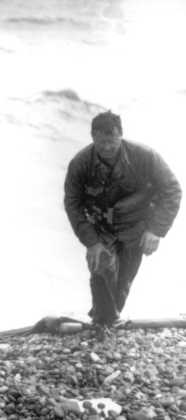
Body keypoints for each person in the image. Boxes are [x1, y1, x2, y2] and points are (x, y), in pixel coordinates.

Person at [64, 111, 181, 341]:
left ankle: (108, 320)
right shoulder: (80, 164)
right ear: (92, 137)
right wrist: (92, 242)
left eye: (111, 141)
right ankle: (102, 323)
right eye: (100, 142)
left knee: (123, 285)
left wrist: (156, 230)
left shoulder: (145, 156)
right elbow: (73, 205)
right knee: (101, 268)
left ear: (121, 135)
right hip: (101, 227)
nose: (106, 147)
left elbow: (172, 190)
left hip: (136, 226)